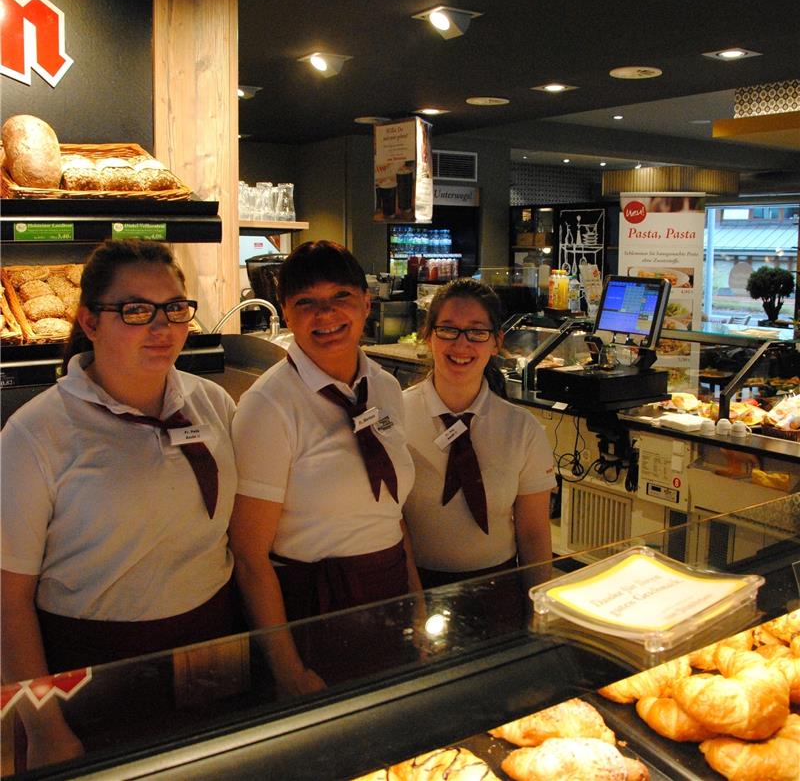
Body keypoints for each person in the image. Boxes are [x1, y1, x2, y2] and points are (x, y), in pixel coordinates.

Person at [1, 239, 241, 768]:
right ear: (90, 322)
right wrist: (44, 726)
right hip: (91, 668)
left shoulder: (214, 404)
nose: (163, 327)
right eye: (136, 310)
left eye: (176, 308)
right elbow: (7, 600)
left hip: (212, 646)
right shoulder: (35, 434)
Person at [229, 240, 420, 695]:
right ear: (286, 314)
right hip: (314, 606)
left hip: (389, 588)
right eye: (307, 303)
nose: (327, 315)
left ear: (365, 302)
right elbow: (250, 555)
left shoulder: (387, 387)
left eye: (341, 297)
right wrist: (288, 669)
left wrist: (415, 602)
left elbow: (392, 513)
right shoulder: (268, 406)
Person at [402, 278, 557, 589]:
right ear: (428, 335)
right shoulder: (396, 417)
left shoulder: (521, 429)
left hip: (498, 588)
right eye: (448, 329)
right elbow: (390, 525)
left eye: (477, 332)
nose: (462, 344)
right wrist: (413, 601)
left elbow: (533, 533)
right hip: (413, 586)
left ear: (496, 342)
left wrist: (538, 610)